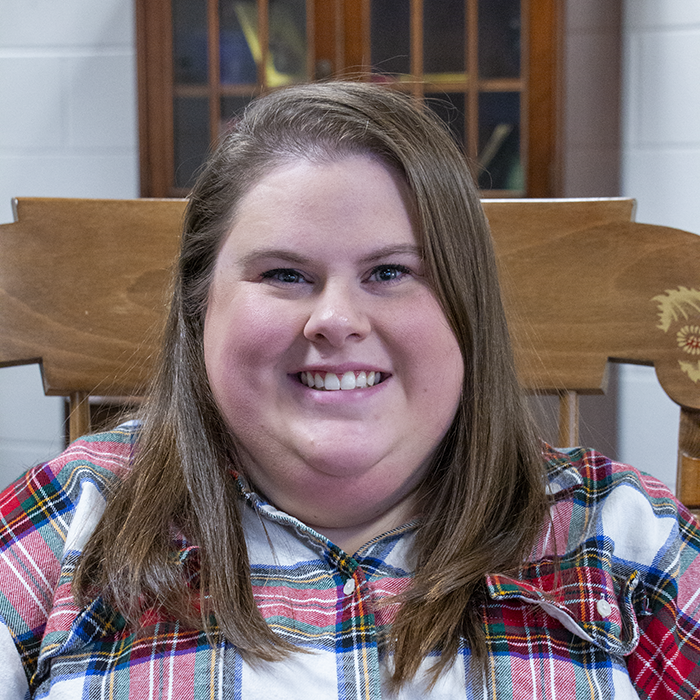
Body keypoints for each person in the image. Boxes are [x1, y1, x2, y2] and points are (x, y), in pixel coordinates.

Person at [0, 81, 698, 699]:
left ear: (468, 307)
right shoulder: (70, 520)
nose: (336, 320)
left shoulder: (625, 537)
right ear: (198, 307)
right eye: (284, 274)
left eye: (391, 272)